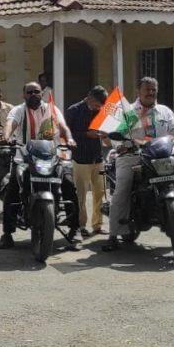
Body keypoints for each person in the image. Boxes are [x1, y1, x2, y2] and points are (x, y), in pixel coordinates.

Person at [103, 77, 174, 252]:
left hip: (160, 156)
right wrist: (123, 146)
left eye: (154, 90)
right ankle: (113, 235)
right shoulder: (128, 111)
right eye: (147, 90)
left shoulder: (164, 111)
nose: (151, 93)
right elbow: (112, 136)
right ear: (138, 91)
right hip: (132, 156)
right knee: (122, 191)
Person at [0, 82, 81, 251]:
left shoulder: (51, 109)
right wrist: (6, 137)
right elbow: (10, 124)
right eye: (30, 92)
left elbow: (63, 127)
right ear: (24, 95)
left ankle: (75, 229)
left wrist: (69, 139)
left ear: (41, 94)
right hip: (25, 157)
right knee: (12, 189)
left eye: (36, 91)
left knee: (69, 185)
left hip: (51, 156)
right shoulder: (18, 110)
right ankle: (7, 233)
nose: (33, 94)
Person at [64, 86, 109, 238]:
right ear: (89, 97)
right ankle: (81, 226)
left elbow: (106, 128)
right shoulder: (74, 110)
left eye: (100, 106)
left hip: (98, 157)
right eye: (97, 105)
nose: (98, 108)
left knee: (100, 194)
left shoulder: (101, 111)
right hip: (80, 159)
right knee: (80, 195)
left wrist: (104, 134)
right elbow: (67, 133)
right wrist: (86, 135)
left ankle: (97, 225)